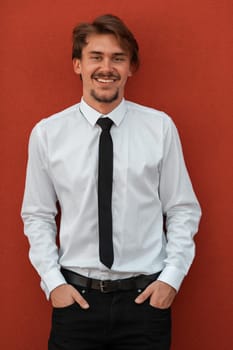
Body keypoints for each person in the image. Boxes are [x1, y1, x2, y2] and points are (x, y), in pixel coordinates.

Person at [21, 14, 201, 350]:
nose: (107, 67)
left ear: (130, 67)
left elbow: (182, 209)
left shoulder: (159, 128)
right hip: (76, 303)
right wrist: (53, 283)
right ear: (77, 64)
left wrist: (171, 279)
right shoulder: (47, 134)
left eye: (118, 58)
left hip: (145, 303)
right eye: (96, 57)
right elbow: (38, 214)